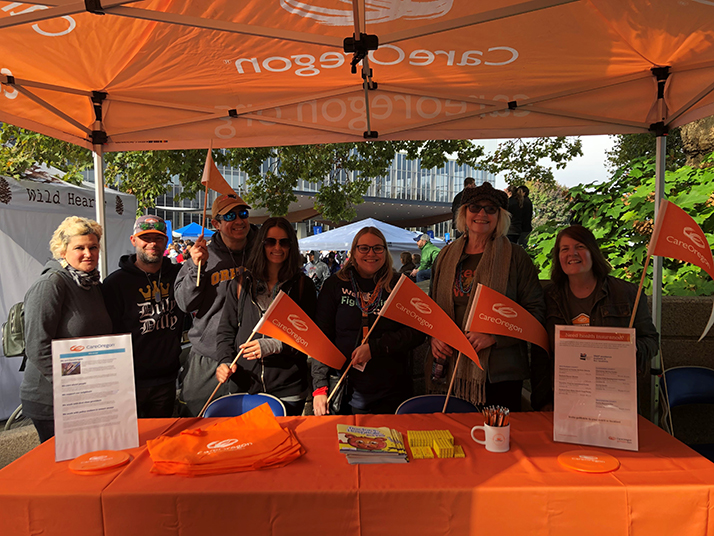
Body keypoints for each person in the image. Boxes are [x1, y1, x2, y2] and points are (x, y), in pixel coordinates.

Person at [427, 182, 545, 411]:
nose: (482, 213)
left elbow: (536, 312)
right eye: (475, 207)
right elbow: (430, 308)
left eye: (491, 209)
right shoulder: (444, 255)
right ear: (464, 213)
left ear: (500, 217)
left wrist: (495, 336)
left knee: (495, 443)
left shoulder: (516, 257)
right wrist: (434, 335)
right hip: (449, 368)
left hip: (498, 373)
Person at [532, 225, 660, 410]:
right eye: (565, 249)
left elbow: (651, 341)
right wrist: (543, 402)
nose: (572, 254)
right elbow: (540, 356)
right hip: (564, 399)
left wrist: (628, 349)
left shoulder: (628, 293)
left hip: (614, 399)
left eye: (580, 247)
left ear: (593, 252)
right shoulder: (548, 297)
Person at [311, 227, 425, 415]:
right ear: (354, 252)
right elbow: (321, 337)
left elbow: (417, 332)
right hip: (346, 389)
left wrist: (376, 348)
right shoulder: (335, 284)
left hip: (392, 390)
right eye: (364, 248)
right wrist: (320, 387)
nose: (371, 253)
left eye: (377, 248)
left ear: (385, 252)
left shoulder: (399, 285)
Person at [20, 216, 112, 442]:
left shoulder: (91, 284)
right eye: (79, 248)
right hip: (52, 398)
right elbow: (37, 347)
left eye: (93, 247)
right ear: (62, 251)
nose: (88, 254)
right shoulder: (51, 284)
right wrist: (76, 383)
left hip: (84, 394)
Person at [214, 217, 316, 416]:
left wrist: (274, 345)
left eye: (284, 242)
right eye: (270, 241)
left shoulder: (304, 286)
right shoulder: (241, 283)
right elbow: (226, 331)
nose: (277, 247)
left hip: (288, 388)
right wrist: (225, 362)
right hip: (244, 383)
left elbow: (309, 338)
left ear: (291, 246)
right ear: (261, 244)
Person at [175, 193, 258, 416]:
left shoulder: (261, 254)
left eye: (243, 214)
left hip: (249, 356)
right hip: (209, 357)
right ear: (216, 224)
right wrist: (195, 268)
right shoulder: (203, 255)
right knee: (200, 421)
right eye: (230, 215)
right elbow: (184, 303)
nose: (239, 221)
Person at [102, 215, 185, 418]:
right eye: (145, 238)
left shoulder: (179, 274)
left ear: (166, 241)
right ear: (133, 240)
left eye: (157, 238)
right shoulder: (115, 283)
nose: (152, 244)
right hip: (129, 382)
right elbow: (108, 333)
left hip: (167, 378)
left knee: (160, 440)